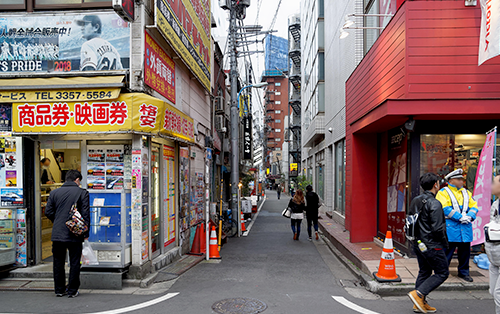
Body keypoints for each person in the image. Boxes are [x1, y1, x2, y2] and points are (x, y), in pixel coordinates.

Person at [407, 173, 449, 313]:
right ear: (435, 185)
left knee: (424, 271)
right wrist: (444, 243)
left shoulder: (416, 200)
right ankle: (418, 295)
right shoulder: (435, 203)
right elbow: (438, 228)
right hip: (432, 244)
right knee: (442, 272)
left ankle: (419, 303)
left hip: (418, 243)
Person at [45, 170, 89, 298]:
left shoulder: (54, 193)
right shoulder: (82, 193)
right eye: (79, 181)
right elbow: (85, 214)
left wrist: (58, 220)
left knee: (58, 262)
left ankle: (59, 290)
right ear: (76, 180)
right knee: (75, 262)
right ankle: (72, 290)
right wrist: (85, 232)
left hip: (57, 232)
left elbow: (48, 212)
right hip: (75, 233)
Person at [436, 168, 478, 282]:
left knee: (465, 254)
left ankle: (464, 273)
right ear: (451, 180)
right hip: (451, 229)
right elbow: (444, 208)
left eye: (462, 179)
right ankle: (442, 273)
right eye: (459, 179)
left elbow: (474, 206)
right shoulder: (443, 193)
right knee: (447, 253)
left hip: (465, 228)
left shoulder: (466, 192)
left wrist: (470, 216)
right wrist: (460, 217)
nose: (462, 182)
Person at [486, 175, 500, 314]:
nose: (490, 185)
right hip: (493, 256)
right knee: (493, 291)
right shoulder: (496, 204)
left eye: (493, 182)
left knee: (498, 294)